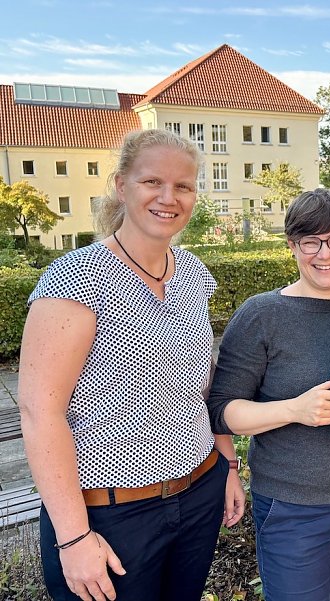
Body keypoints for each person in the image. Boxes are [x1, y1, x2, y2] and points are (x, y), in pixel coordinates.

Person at [18, 128, 245, 601]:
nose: (169, 197)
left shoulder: (193, 275)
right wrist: (73, 538)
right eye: (152, 182)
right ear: (122, 186)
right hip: (111, 515)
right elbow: (40, 413)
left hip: (199, 495)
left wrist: (227, 463)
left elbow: (203, 388)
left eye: (183, 186)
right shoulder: (76, 278)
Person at [207, 189, 330, 601]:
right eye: (311, 242)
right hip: (292, 508)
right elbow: (222, 411)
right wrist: (295, 409)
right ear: (292, 245)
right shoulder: (261, 315)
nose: (325, 254)